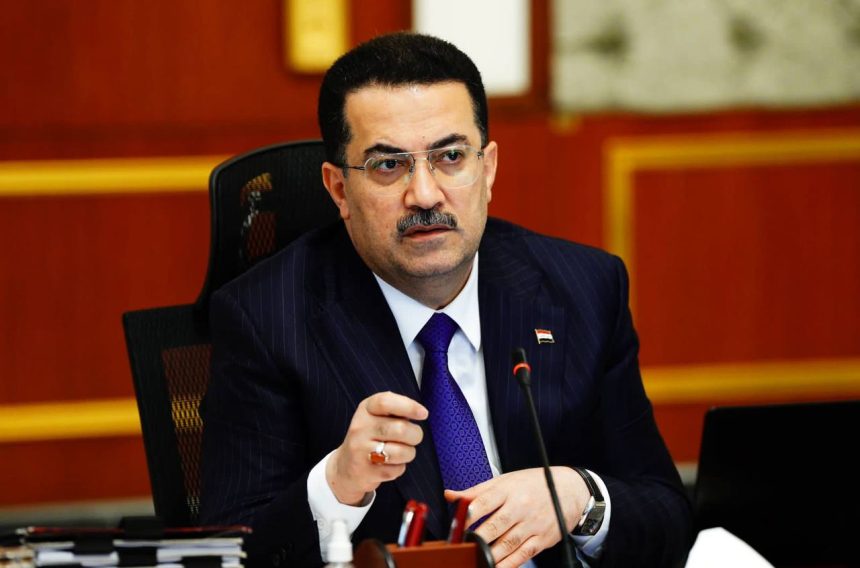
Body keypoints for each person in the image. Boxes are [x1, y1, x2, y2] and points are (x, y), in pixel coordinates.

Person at [201, 32, 693, 568]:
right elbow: (233, 553)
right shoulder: (266, 320)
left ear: (488, 169)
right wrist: (335, 486)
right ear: (339, 189)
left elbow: (667, 514)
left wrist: (580, 497)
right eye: (388, 166)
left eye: (451, 157)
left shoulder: (582, 288)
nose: (425, 194)